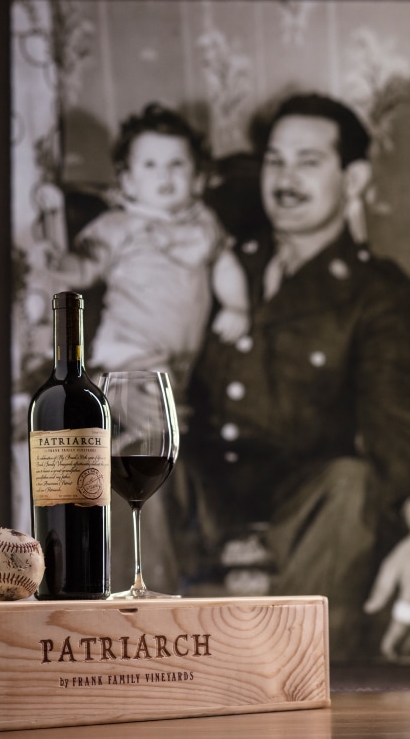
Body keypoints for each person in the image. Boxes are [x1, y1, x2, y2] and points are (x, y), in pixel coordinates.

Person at [187, 92, 410, 661]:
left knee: (353, 483)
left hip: (304, 520)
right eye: (275, 160)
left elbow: (392, 435)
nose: (285, 179)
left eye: (308, 162)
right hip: (205, 507)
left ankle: (293, 678)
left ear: (353, 178)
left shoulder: (375, 292)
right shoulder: (216, 260)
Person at [46, 102, 250, 407]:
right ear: (128, 181)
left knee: (169, 411)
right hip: (128, 349)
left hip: (182, 355)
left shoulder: (205, 222)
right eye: (150, 165)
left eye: (177, 164)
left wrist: (237, 306)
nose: (163, 175)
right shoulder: (118, 225)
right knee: (159, 413)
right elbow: (88, 266)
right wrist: (65, 265)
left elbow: (224, 264)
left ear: (198, 179)